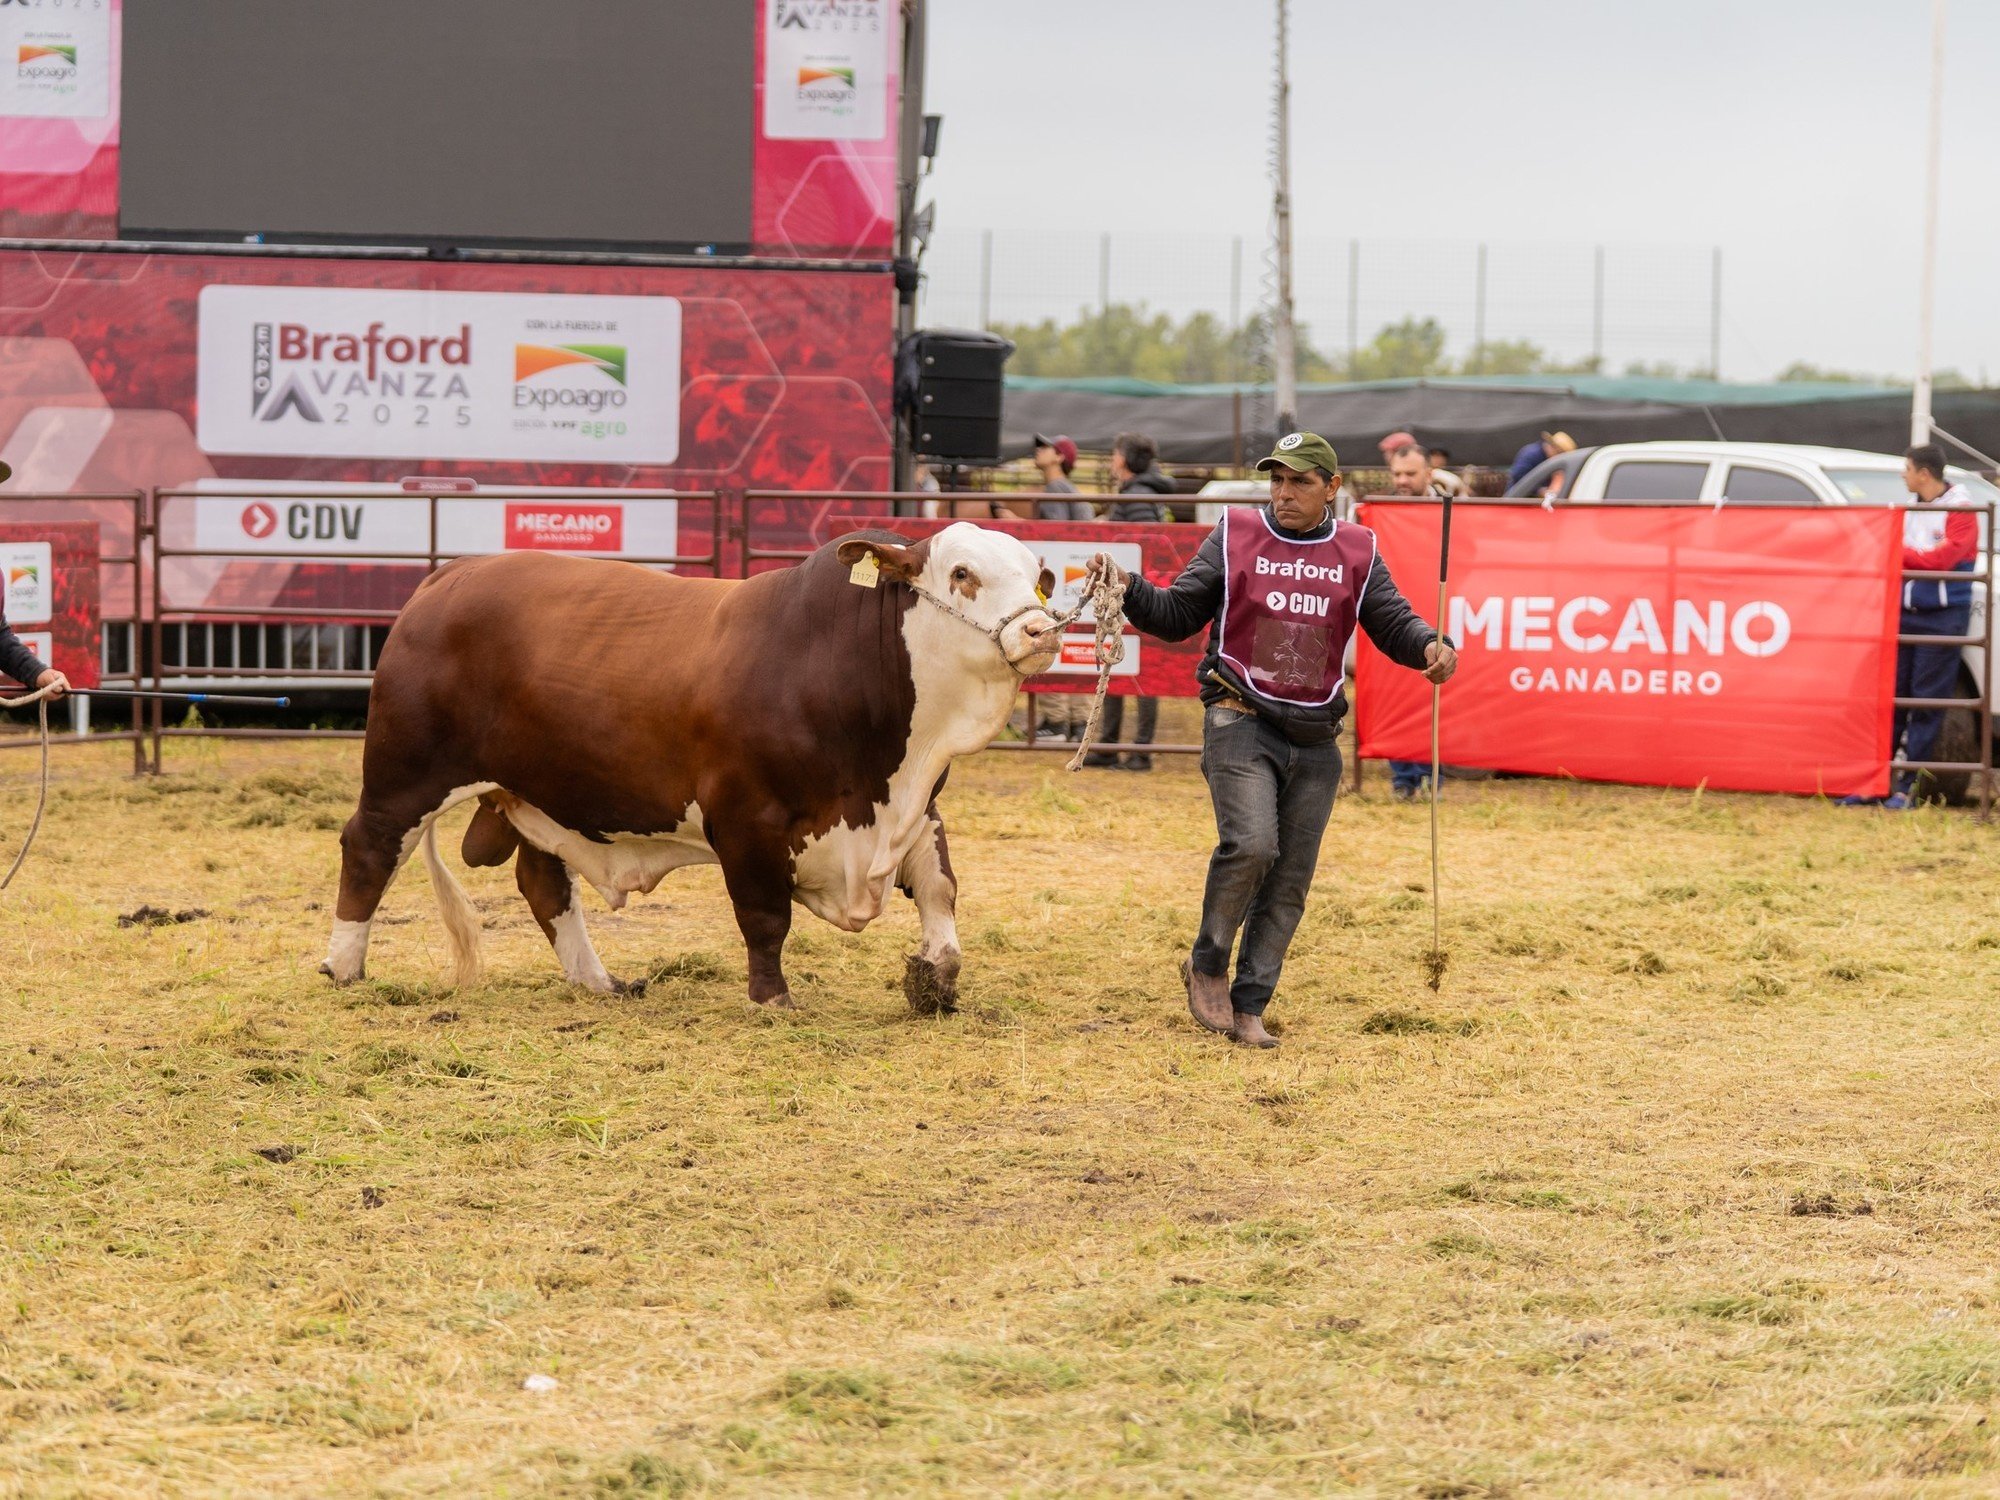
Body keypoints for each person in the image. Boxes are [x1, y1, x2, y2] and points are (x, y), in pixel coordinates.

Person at [1085, 432, 1456, 1048]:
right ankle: (1207, 964)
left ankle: (1251, 1003)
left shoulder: (1357, 549)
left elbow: (1392, 620)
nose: (1284, 493)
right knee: (1253, 844)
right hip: (1240, 718)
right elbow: (1178, 616)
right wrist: (1127, 586)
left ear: (1332, 489)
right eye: (1277, 480)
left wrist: (1430, 647)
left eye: (1300, 482)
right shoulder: (1235, 534)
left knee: (1290, 880)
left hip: (1315, 738)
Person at [1846, 444, 1978, 809]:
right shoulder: (1911, 509)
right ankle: (1875, 784)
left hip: (1941, 617)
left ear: (1924, 473)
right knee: (1893, 699)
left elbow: (1942, 560)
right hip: (1905, 614)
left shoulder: (1962, 508)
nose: (1902, 475)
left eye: (1906, 468)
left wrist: (1897, 551)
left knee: (1924, 703)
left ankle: (1908, 788)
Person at [1082, 431, 1175, 771]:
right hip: (1136, 588)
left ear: (1123, 459)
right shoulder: (1141, 493)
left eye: (1114, 453)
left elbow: (1144, 541)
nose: (1111, 458)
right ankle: (1120, 746)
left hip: (1134, 591)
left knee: (1139, 666)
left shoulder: (1136, 495)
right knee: (1127, 662)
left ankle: (1133, 748)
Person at [1383, 443, 1459, 799]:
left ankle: (1432, 776)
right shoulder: (1380, 511)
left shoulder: (1450, 507)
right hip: (1394, 613)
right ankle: (1403, 778)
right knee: (1394, 690)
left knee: (1435, 693)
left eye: (1410, 474)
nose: (1402, 481)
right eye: (1397, 474)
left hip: (1440, 608)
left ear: (1429, 474)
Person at [1030, 434, 1096, 521]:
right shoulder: (1064, 486)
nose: (1038, 450)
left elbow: (1055, 529)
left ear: (1059, 457)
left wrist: (1018, 521)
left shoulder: (1055, 487)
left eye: (1045, 448)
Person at [1507, 430, 1576, 487]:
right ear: (1552, 447)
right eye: (1559, 453)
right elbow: (1518, 475)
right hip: (1520, 497)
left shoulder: (1544, 456)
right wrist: (1539, 491)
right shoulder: (1531, 454)